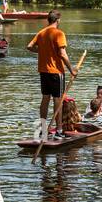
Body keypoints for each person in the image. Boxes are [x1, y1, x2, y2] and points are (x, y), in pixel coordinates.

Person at [26, 11, 78, 139]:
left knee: (45, 99)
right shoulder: (59, 33)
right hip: (56, 72)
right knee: (57, 101)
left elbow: (29, 46)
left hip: (43, 71)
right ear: (58, 20)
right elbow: (63, 54)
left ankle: (43, 130)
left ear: (48, 20)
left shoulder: (41, 33)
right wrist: (72, 70)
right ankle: (59, 130)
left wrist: (43, 51)